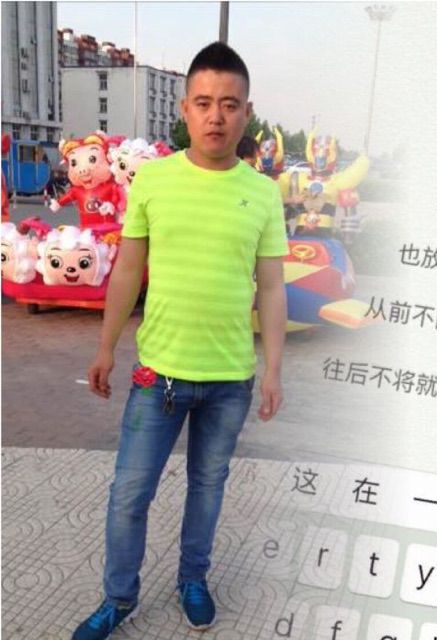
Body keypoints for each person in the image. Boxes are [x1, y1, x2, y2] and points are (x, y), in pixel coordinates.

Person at [72, 41, 288, 640]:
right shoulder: (154, 181)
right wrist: (105, 347)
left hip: (229, 380)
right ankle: (118, 597)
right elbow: (127, 269)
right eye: (204, 102)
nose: (216, 116)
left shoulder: (263, 194)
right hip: (158, 376)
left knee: (207, 488)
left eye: (229, 104)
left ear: (247, 113)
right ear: (185, 110)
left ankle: (193, 578)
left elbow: (272, 287)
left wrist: (273, 369)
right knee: (129, 494)